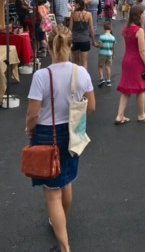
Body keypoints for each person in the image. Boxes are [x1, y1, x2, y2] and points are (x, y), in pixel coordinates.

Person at [25, 25, 96, 252]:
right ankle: (61, 220)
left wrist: (29, 129)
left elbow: (33, 113)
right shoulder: (81, 72)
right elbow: (91, 106)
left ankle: (64, 247)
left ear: (48, 45)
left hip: (46, 132)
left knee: (52, 194)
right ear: (70, 45)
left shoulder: (41, 76)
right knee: (65, 180)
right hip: (73, 132)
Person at [115, 5, 145, 124]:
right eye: (142, 14)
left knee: (125, 89)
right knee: (141, 88)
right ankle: (141, 115)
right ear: (138, 15)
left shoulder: (125, 29)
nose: (144, 15)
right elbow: (142, 51)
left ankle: (119, 115)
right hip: (136, 62)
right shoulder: (139, 31)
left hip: (126, 60)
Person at [69, 0, 97, 70]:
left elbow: (70, 28)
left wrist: (68, 39)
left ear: (78, 4)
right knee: (84, 61)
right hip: (85, 40)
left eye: (75, 4)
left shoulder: (73, 14)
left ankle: (75, 77)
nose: (74, 5)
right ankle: (84, 78)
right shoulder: (89, 14)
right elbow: (91, 28)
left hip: (75, 39)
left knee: (76, 61)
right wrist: (93, 40)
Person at [96, 22, 116, 88]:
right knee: (108, 67)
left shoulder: (102, 37)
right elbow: (113, 47)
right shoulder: (113, 38)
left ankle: (101, 79)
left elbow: (100, 46)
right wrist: (113, 55)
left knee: (100, 66)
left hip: (102, 54)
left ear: (104, 29)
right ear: (110, 29)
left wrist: (95, 45)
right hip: (109, 54)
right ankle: (108, 81)